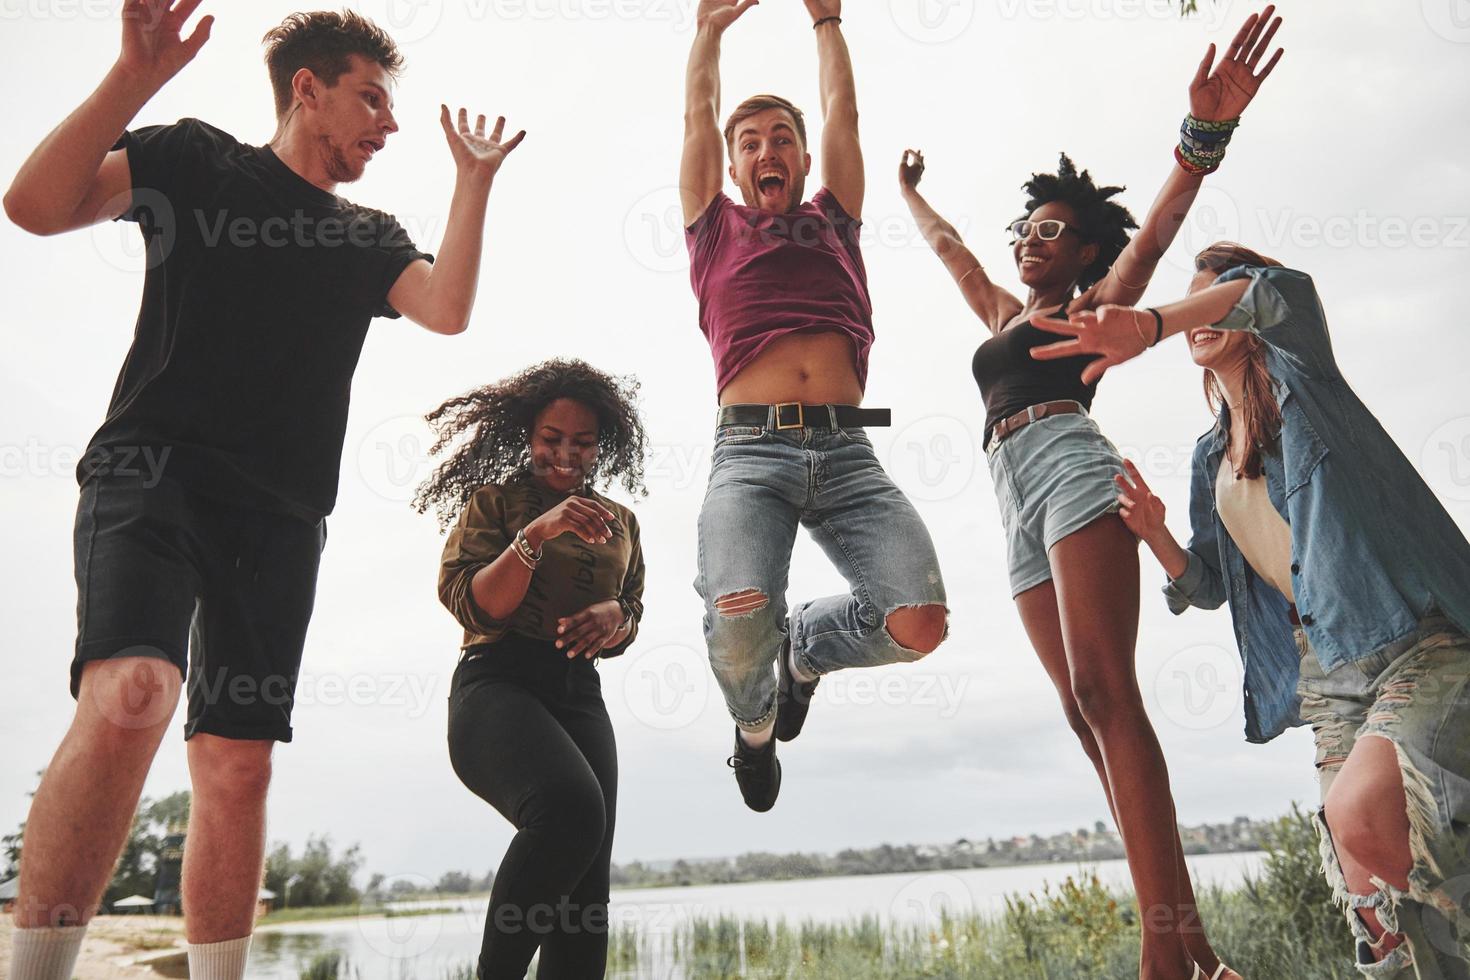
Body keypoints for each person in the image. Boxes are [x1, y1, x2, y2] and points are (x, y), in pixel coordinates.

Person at [3, 5, 522, 979]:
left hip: (279, 521)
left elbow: (446, 308)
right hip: (154, 474)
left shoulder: (369, 236)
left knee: (237, 763)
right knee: (132, 691)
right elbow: (34, 203)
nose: (389, 122)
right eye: (372, 97)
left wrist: (472, 183)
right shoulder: (197, 162)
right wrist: (131, 79)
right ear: (307, 88)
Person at [898, 10, 1283, 979]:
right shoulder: (1003, 311)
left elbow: (1155, 231)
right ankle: (1190, 940)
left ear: (1080, 255)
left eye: (1052, 230)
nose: (1032, 237)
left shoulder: (1092, 305)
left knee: (1110, 692)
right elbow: (954, 254)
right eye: (1026, 227)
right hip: (1010, 493)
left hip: (1073, 469)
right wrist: (912, 196)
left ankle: (1163, 950)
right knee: (1079, 707)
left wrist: (1203, 139)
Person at [1030, 242, 1470, 979]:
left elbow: (1281, 293)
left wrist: (1154, 320)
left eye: (1216, 297)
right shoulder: (1211, 457)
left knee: (1362, 812)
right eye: (1194, 298)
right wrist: (1156, 534)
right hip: (1326, 678)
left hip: (1408, 640)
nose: (1202, 312)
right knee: (1369, 898)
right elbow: (1210, 584)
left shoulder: (1306, 383)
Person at [680, 0, 950, 813]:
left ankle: (806, 650)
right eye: (750, 142)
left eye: (781, 139)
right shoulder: (713, 229)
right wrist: (707, 31)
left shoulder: (836, 219)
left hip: (846, 455)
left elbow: (844, 110)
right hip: (750, 456)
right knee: (735, 619)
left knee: (919, 624)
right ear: (733, 168)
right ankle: (755, 726)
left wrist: (827, 21)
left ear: (801, 159)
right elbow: (696, 110)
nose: (768, 150)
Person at [420, 358, 647, 980]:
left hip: (578, 692)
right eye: (552, 439)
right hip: (497, 682)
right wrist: (535, 534)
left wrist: (616, 617)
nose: (566, 455)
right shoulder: (492, 502)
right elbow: (476, 606)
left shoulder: (622, 523)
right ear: (528, 436)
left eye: (583, 442)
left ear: (604, 446)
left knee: (586, 883)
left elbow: (631, 613)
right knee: (570, 810)